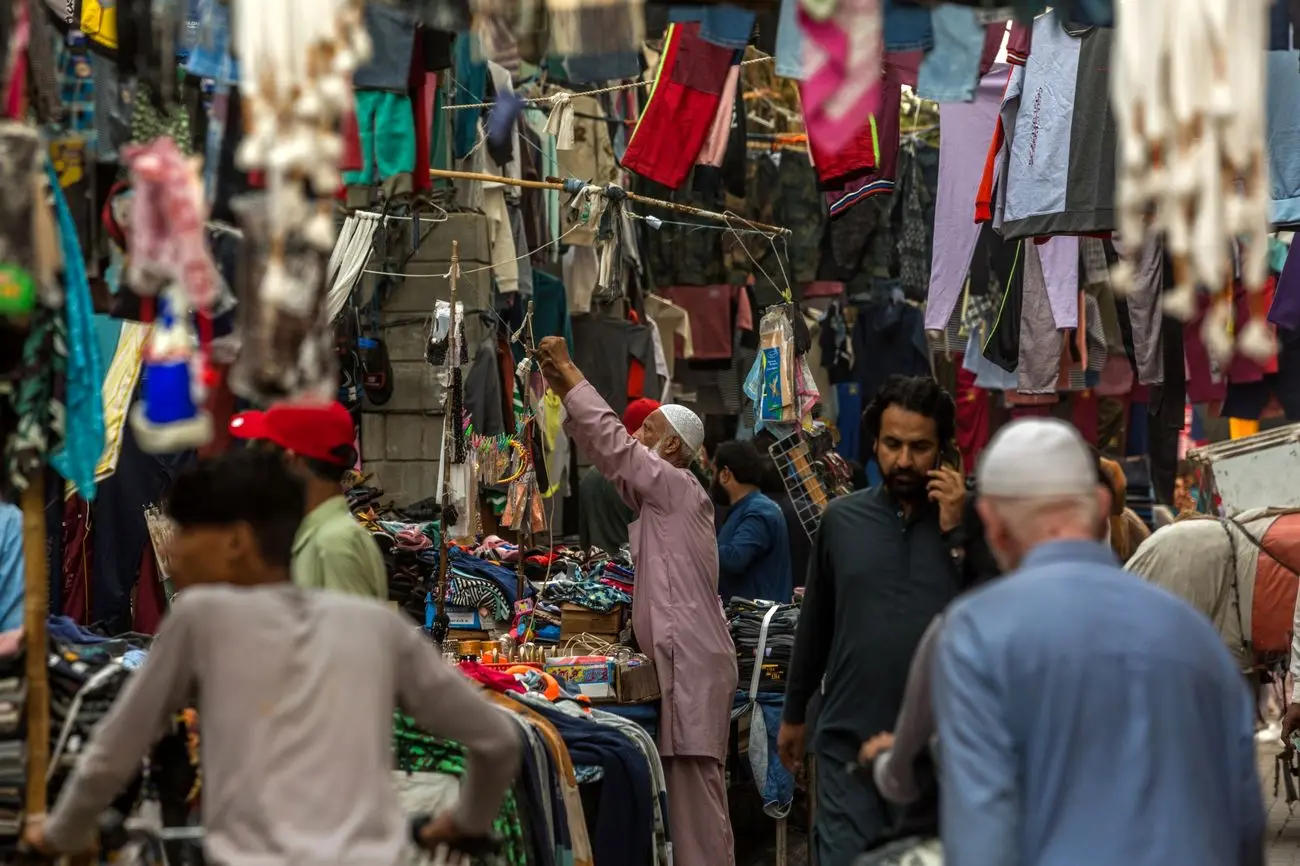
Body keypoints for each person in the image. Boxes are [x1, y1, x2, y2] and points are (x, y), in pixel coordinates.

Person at [23, 450, 520, 863]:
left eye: (186, 533)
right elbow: (497, 740)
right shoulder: (380, 627)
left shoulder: (202, 618)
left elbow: (114, 753)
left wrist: (60, 833)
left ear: (236, 541)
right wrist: (462, 823)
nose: (171, 552)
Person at [932, 418, 1265, 866]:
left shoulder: (976, 633)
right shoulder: (1192, 634)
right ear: (1101, 505)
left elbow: (983, 835)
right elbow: (1243, 823)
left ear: (992, 523)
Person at [535, 336, 739, 866]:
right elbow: (612, 460)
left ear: (671, 448)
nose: (636, 435)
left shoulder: (676, 485)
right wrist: (559, 385)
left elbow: (616, 449)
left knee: (696, 804)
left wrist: (571, 372)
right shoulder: (667, 494)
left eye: (648, 430)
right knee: (690, 799)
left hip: (691, 661)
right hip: (689, 658)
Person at [777, 375, 967, 863]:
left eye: (920, 447)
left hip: (943, 757)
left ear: (943, 449)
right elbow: (815, 623)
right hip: (847, 744)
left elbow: (992, 622)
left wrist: (958, 536)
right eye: (892, 444)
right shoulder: (842, 521)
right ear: (875, 443)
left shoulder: (973, 527)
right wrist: (794, 714)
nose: (904, 461)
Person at [229, 400, 387, 600]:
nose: (261, 472)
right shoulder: (319, 536)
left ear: (292, 461)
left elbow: (348, 630)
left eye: (268, 458)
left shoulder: (334, 544)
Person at [712, 440, 794, 603]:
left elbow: (735, 558)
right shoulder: (748, 508)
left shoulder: (759, 511)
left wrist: (697, 545)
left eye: (713, 472)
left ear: (725, 474)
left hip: (756, 621)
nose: (711, 480)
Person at [577, 397, 660, 553]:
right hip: (634, 572)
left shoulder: (590, 476)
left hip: (595, 571)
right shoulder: (644, 480)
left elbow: (584, 537)